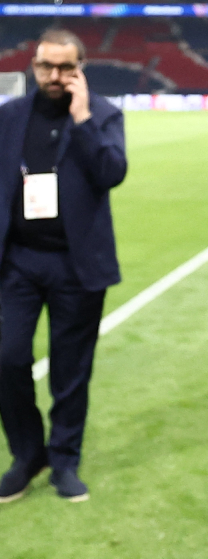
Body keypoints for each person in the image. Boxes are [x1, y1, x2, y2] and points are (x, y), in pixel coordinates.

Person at [0, 29, 126, 503]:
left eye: (65, 67)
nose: (54, 76)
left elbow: (112, 172)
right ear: (34, 66)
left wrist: (83, 119)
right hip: (18, 261)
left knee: (71, 371)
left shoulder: (103, 114)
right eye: (46, 66)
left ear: (80, 68)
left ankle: (64, 461)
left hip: (78, 264)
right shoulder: (10, 115)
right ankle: (27, 453)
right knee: (7, 358)